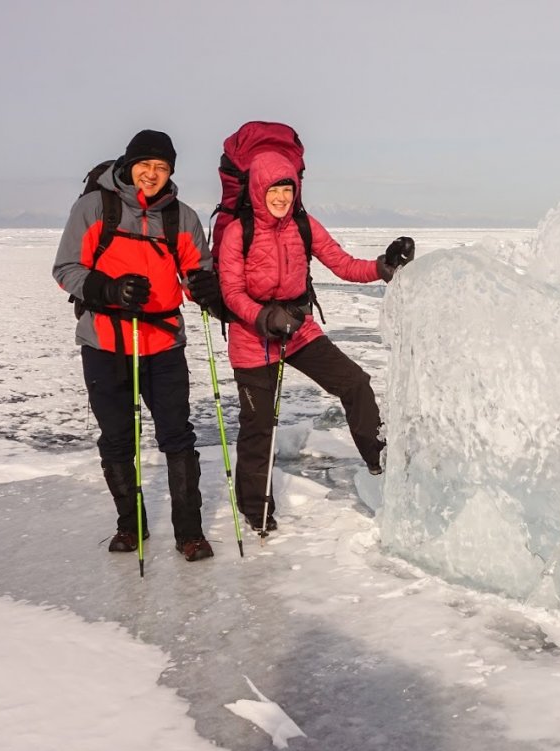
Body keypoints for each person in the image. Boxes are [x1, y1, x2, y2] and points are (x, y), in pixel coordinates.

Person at [218, 150, 414, 535]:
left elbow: (341, 263)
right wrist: (263, 317)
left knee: (354, 382)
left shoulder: (303, 226)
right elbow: (231, 291)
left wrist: (382, 267)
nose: (281, 198)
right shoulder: (239, 232)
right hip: (253, 336)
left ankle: (379, 464)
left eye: (287, 190)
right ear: (259, 190)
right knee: (259, 427)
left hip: (297, 329)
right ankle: (256, 511)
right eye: (274, 190)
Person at [52, 129, 226, 561]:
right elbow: (65, 268)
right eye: (146, 165)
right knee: (117, 440)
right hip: (106, 342)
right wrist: (110, 290)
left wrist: (204, 287)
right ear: (129, 165)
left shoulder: (181, 216)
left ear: (170, 173)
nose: (152, 174)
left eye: (162, 168)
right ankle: (130, 527)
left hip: (164, 345)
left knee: (177, 437)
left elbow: (195, 272)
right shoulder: (95, 207)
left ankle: (189, 533)